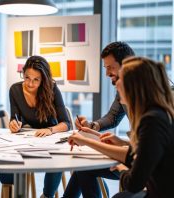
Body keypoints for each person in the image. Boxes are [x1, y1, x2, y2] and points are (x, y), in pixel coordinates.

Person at [67, 56, 174, 198]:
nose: (116, 84)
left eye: (120, 79)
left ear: (134, 86)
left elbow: (133, 183)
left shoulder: (151, 120)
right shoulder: (158, 113)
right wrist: (118, 142)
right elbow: (146, 154)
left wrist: (122, 168)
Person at [63, 41, 135, 198]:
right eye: (106, 68)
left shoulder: (149, 103)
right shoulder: (123, 88)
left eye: (110, 67)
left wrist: (89, 141)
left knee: (84, 167)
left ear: (126, 65)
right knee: (83, 167)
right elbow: (112, 117)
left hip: (143, 169)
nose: (107, 73)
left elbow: (148, 151)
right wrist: (93, 126)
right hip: (137, 157)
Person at [0, 55, 71, 198]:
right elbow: (15, 117)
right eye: (27, 77)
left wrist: (50, 130)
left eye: (36, 80)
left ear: (43, 79)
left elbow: (66, 124)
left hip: (51, 138)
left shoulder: (51, 88)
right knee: (8, 162)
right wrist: (14, 124)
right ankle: (13, 190)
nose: (30, 84)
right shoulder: (15, 90)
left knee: (56, 159)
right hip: (29, 138)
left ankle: (46, 195)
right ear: (23, 73)